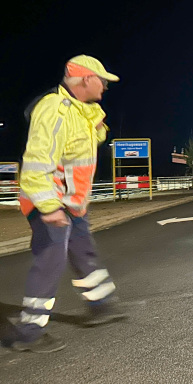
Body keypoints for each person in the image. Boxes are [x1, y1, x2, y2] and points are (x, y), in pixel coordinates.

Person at [12, 55, 125, 353]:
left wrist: (96, 124)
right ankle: (29, 332)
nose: (105, 86)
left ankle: (100, 305)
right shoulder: (55, 110)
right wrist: (49, 208)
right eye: (102, 80)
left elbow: (84, 145)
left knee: (83, 252)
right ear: (85, 79)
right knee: (51, 259)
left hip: (72, 203)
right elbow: (37, 163)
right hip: (49, 201)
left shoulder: (80, 111)